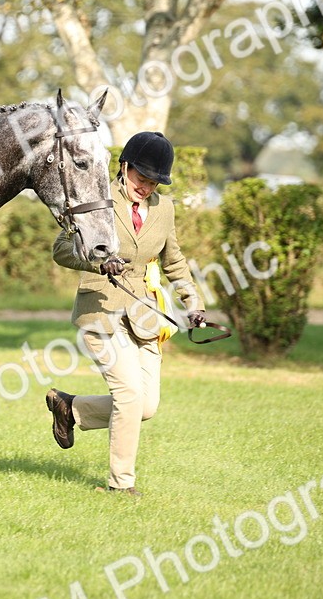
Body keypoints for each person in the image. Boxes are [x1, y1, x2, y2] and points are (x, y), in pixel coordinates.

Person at [47, 131, 205, 497]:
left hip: (145, 315)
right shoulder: (97, 198)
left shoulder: (164, 209)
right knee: (130, 395)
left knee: (146, 406)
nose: (146, 187)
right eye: (141, 178)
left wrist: (193, 303)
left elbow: (175, 261)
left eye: (153, 182)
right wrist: (100, 263)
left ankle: (71, 409)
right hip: (100, 311)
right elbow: (60, 249)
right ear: (124, 167)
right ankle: (122, 485)